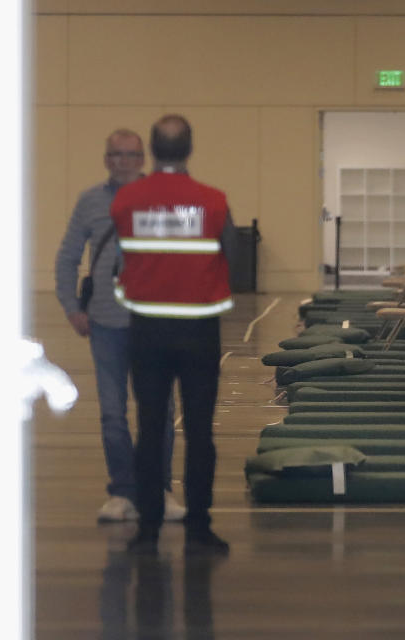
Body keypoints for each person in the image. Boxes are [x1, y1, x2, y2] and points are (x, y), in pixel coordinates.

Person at [111, 114, 239, 555]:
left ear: (152, 147)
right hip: (199, 332)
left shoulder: (128, 200)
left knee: (149, 428)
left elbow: (117, 261)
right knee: (200, 432)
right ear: (189, 148)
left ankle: (148, 529)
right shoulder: (214, 201)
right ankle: (199, 528)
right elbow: (234, 260)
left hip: (146, 331)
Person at [55, 129, 186, 523]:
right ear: (105, 158)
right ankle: (123, 492)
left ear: (142, 158)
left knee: (158, 410)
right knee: (112, 411)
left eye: (130, 154)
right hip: (106, 324)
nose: (122, 161)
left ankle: (159, 490)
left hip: (155, 324)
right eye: (115, 154)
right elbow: (67, 257)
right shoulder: (90, 201)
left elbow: (181, 259)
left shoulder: (165, 199)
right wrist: (71, 307)